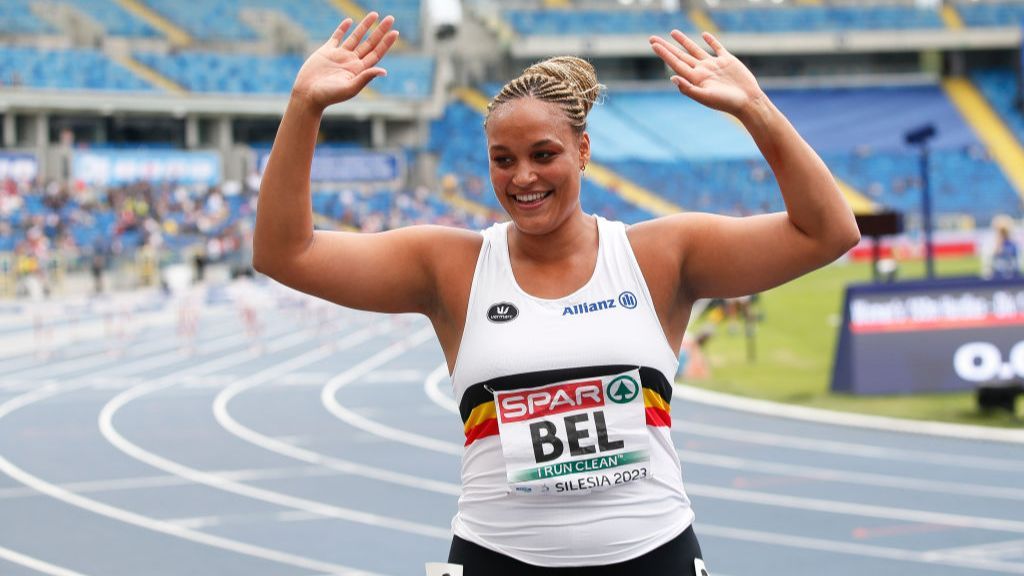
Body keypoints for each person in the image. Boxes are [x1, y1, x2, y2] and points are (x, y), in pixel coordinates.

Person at [253, 13, 860, 576]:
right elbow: (286, 253)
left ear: (583, 151)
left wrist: (755, 108)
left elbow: (827, 231)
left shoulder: (659, 256)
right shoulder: (449, 266)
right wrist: (305, 106)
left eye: (544, 154)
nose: (523, 177)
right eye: (502, 159)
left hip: (651, 552)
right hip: (499, 556)